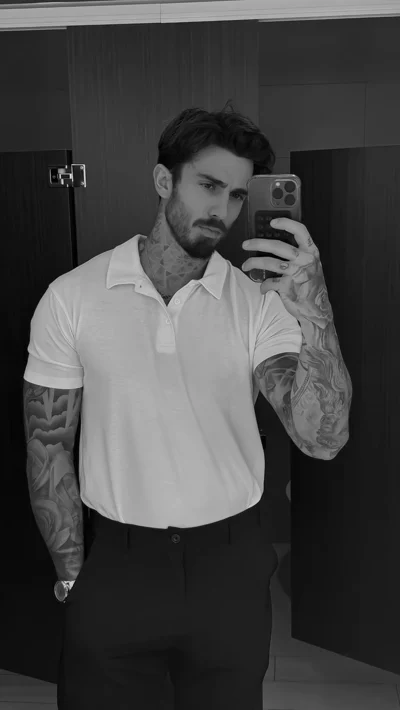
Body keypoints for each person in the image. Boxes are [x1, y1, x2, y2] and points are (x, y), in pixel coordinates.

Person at [23, 100, 303, 710]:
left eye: (236, 194)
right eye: (208, 185)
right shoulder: (72, 298)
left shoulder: (260, 303)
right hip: (117, 565)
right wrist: (72, 576)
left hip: (229, 564)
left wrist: (314, 301)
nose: (223, 210)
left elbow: (322, 435)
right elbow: (48, 445)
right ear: (162, 180)